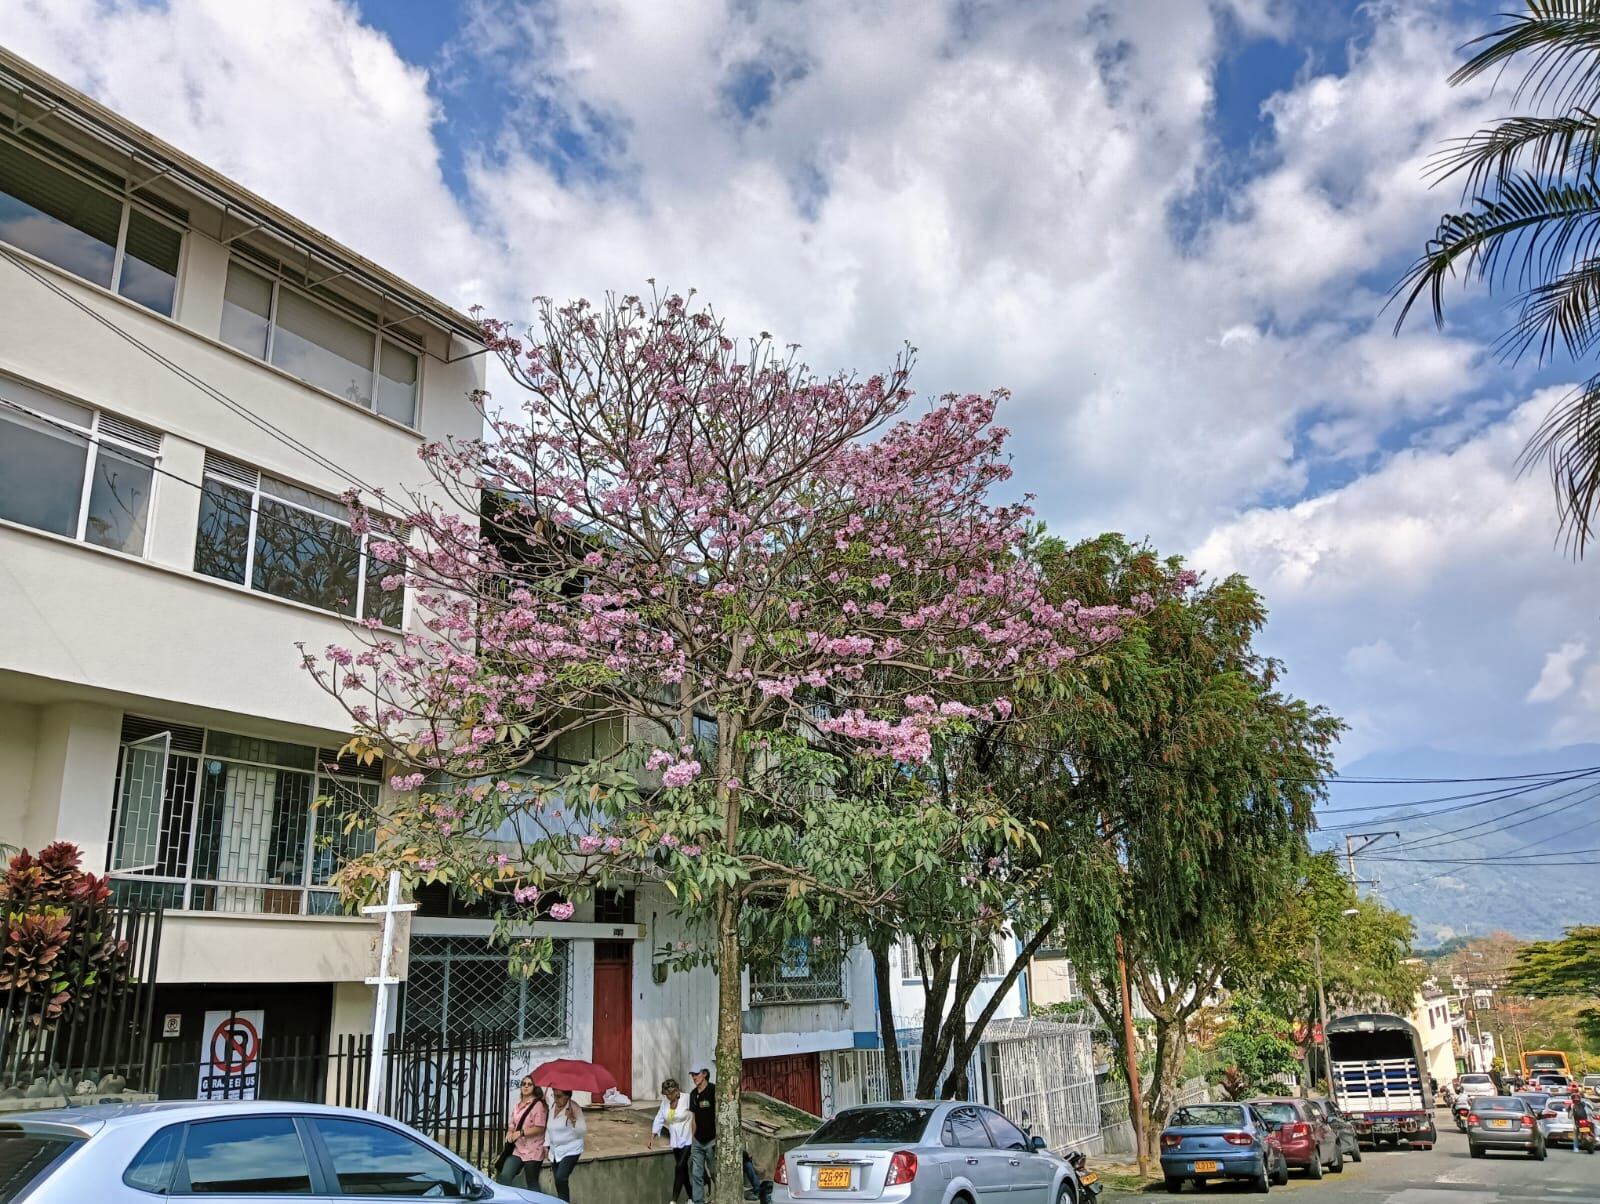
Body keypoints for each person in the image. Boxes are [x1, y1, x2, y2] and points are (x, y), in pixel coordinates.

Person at [498, 1075, 548, 1191]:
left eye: (529, 1084)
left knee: (532, 1182)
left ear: (534, 1087)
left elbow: (540, 1127)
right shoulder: (517, 1105)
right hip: (518, 1149)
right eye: (523, 1084)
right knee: (505, 1176)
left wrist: (522, 1132)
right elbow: (512, 1124)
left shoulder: (538, 1105)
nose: (526, 1086)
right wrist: (510, 1133)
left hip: (533, 1149)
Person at [648, 1077, 695, 1203]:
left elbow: (697, 1115)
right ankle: (691, 1197)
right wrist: (652, 1135)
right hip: (675, 1140)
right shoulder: (665, 1102)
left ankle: (673, 1200)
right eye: (666, 1095)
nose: (668, 1097)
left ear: (677, 1091)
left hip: (688, 1138)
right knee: (683, 1170)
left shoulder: (687, 1098)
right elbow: (659, 1118)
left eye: (670, 1094)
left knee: (679, 1166)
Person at [545, 1086, 587, 1202]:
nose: (556, 1099)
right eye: (554, 1095)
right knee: (558, 1182)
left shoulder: (574, 1107)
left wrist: (573, 1120)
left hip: (571, 1149)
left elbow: (582, 1131)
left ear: (567, 1096)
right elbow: (549, 1127)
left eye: (559, 1096)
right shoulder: (553, 1106)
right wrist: (546, 1144)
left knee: (561, 1178)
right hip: (555, 1150)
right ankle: (562, 1201)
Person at [688, 1066, 717, 1203]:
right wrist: (692, 1139)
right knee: (696, 1173)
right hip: (698, 1141)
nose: (694, 1077)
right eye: (692, 1075)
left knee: (714, 1171)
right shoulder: (693, 1094)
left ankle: (719, 1197)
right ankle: (698, 1200)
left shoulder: (713, 1090)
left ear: (704, 1074)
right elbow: (693, 1119)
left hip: (712, 1140)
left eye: (696, 1074)